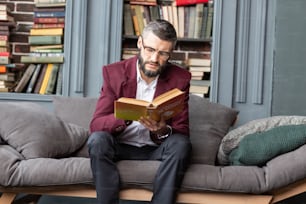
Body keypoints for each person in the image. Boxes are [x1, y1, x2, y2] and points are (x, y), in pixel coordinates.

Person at [87, 19, 192, 204]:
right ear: (140, 43)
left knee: (181, 144)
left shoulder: (180, 79)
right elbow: (96, 125)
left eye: (163, 54)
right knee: (97, 140)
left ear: (170, 53)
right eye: (150, 50)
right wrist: (125, 116)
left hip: (155, 148)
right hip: (119, 146)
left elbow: (182, 131)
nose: (154, 59)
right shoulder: (114, 73)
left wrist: (161, 129)